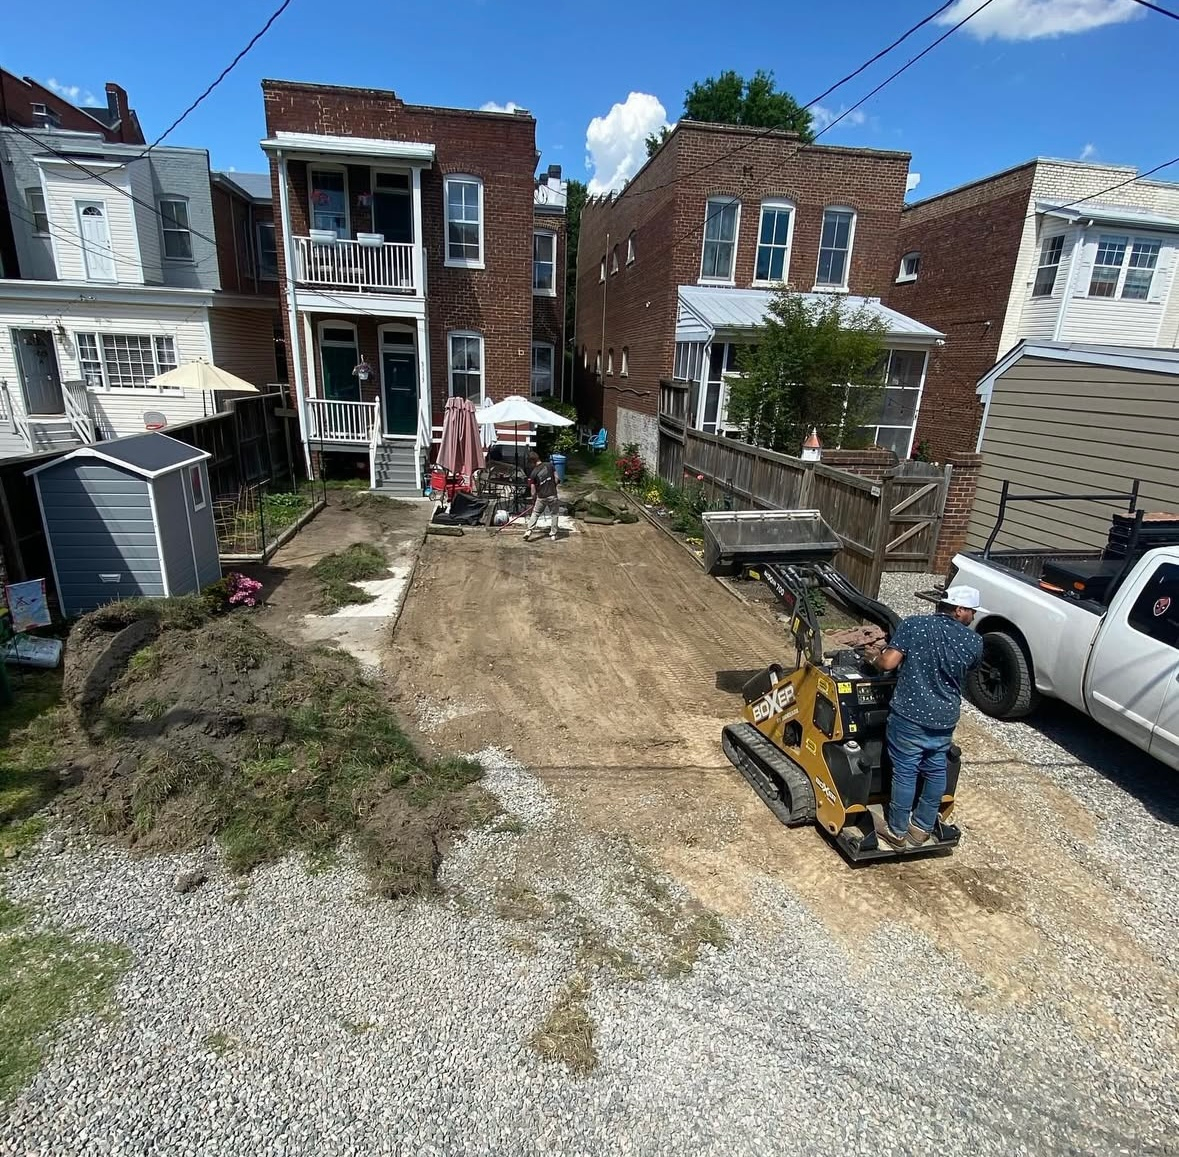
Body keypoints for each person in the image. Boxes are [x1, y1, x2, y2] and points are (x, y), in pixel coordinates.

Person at [864, 585, 984, 849]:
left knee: (905, 770)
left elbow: (888, 663)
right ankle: (921, 828)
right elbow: (968, 668)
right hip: (944, 716)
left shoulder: (915, 625)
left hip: (910, 714)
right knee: (935, 769)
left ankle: (896, 831)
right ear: (959, 610)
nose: (973, 617)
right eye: (972, 612)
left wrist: (874, 657)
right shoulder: (974, 642)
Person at [523, 450, 560, 542]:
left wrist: (533, 498)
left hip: (541, 497)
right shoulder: (549, 465)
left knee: (535, 513)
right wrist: (554, 486)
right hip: (552, 495)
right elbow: (557, 478)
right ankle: (553, 534)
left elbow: (532, 490)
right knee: (554, 514)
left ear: (532, 462)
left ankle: (529, 531)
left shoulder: (533, 473)